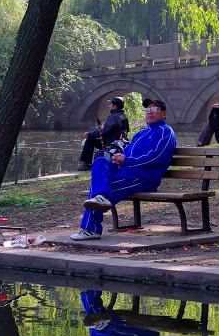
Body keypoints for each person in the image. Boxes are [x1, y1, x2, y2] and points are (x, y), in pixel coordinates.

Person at [71, 97, 176, 241]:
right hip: (126, 173)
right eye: (147, 109)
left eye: (154, 109)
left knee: (100, 190)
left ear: (163, 114)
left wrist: (126, 160)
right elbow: (127, 153)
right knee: (100, 162)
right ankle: (100, 201)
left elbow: (154, 157)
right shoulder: (140, 134)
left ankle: (91, 229)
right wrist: (117, 158)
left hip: (143, 178)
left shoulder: (165, 132)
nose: (149, 112)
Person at [79, 96, 130, 170]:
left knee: (90, 138)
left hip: (111, 143)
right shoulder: (124, 116)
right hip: (120, 142)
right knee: (93, 137)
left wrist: (89, 133)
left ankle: (86, 164)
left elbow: (103, 131)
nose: (109, 106)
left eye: (110, 104)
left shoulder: (114, 117)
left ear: (115, 106)